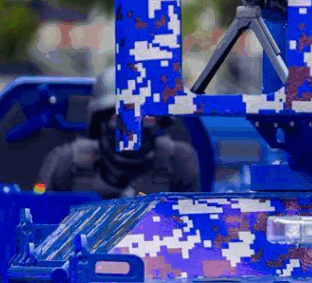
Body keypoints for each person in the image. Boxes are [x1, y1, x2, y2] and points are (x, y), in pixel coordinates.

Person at [36, 67, 200, 198]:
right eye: (120, 116)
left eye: (146, 115)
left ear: (160, 120)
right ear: (100, 121)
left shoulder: (178, 161)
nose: (135, 126)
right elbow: (40, 221)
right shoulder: (67, 162)